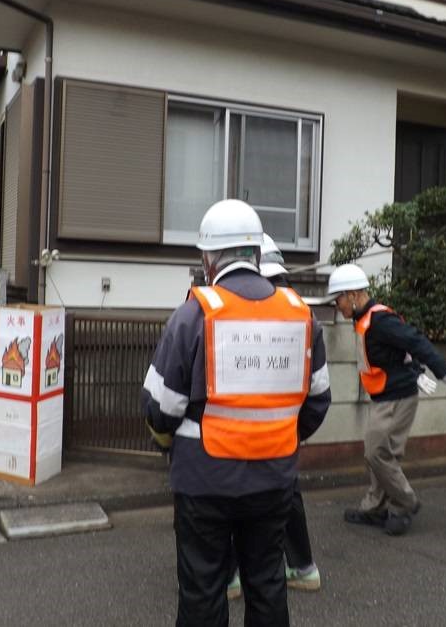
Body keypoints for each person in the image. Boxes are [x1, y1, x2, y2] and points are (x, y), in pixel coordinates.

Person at [142, 201, 331, 626]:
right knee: (267, 584)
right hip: (275, 479)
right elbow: (318, 400)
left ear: (208, 259)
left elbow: (160, 407)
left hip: (203, 481)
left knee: (203, 591)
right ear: (258, 254)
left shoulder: (194, 314)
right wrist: (281, 435)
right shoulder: (301, 315)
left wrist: (170, 442)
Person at [330, 263, 446, 536]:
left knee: (376, 452)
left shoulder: (380, 320)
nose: (337, 305)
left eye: (338, 298)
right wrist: (416, 370)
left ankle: (404, 503)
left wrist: (443, 371)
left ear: (353, 295)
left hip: (397, 397)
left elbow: (414, 341)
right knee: (382, 454)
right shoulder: (364, 319)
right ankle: (375, 507)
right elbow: (399, 353)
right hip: (384, 396)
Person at [227, 233, 322, 600]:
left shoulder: (233, 311)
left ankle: (230, 576)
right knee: (286, 495)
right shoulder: (303, 314)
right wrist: (293, 431)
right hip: (283, 434)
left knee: (230, 499)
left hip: (234, 436)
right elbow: (319, 393)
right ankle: (302, 567)